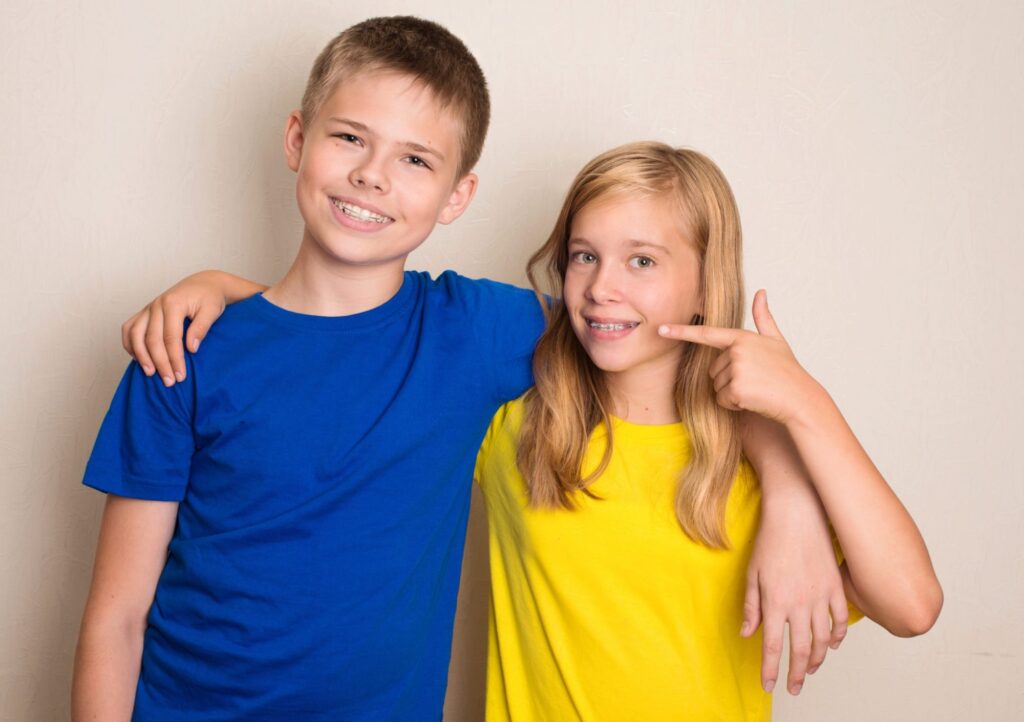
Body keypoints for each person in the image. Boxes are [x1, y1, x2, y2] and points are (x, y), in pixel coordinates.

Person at [77, 16, 848, 722]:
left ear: (457, 196)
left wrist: (790, 495)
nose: (373, 176)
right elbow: (115, 619)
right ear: (296, 140)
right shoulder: (181, 351)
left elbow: (662, 343)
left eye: (415, 159)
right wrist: (224, 293)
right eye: (349, 139)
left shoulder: (477, 332)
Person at [472, 141, 942, 720]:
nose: (601, 288)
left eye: (641, 260)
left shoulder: (764, 468)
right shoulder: (515, 429)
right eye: (584, 255)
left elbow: (912, 605)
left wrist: (805, 404)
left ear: (703, 286)